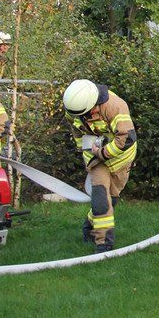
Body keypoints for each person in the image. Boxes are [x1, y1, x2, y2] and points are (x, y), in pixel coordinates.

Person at [63, 79, 138, 253]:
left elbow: (127, 139)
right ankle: (103, 245)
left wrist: (102, 152)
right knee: (101, 199)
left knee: (112, 199)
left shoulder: (115, 106)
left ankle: (89, 227)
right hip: (96, 159)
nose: (83, 118)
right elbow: (77, 132)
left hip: (121, 158)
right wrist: (86, 151)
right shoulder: (74, 109)